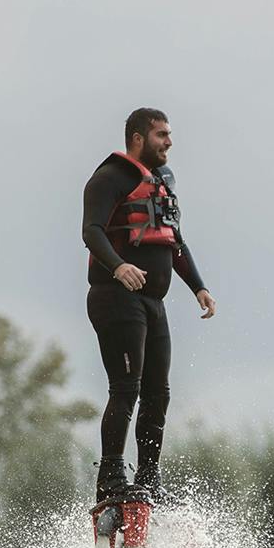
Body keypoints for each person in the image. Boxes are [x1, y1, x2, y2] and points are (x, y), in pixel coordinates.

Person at [82, 107, 218, 503]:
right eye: (162, 135)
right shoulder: (109, 178)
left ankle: (148, 479)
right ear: (138, 138)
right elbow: (91, 231)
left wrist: (198, 287)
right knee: (126, 388)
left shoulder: (162, 183)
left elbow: (174, 241)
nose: (170, 142)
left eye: (170, 134)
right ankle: (111, 479)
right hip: (115, 297)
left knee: (159, 394)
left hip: (153, 303)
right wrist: (119, 266)